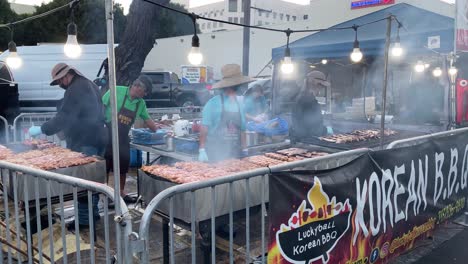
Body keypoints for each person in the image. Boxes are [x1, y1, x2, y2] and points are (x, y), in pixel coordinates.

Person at [28, 62, 107, 230]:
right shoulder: (89, 84)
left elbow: (65, 116)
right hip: (98, 137)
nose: (60, 85)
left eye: (59, 81)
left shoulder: (76, 88)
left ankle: (85, 222)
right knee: (92, 180)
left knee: (83, 183)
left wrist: (42, 128)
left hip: (86, 140)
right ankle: (93, 215)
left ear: (65, 75)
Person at [102, 75, 159, 203]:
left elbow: (147, 119)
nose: (143, 96)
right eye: (144, 93)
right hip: (107, 134)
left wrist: (158, 129)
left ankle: (121, 193)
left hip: (122, 137)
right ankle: (105, 194)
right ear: (138, 87)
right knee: (105, 166)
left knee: (123, 166)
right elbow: (101, 105)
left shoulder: (140, 103)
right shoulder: (116, 90)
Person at [198, 64, 253, 162]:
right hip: (216, 153)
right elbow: (204, 128)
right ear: (237, 85)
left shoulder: (240, 104)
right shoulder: (213, 103)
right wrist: (202, 149)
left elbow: (242, 130)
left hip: (235, 153)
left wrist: (245, 150)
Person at [291, 71, 330, 139]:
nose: (321, 89)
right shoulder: (305, 99)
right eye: (321, 86)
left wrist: (324, 130)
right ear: (314, 84)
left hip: (308, 138)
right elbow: (308, 125)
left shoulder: (309, 98)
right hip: (306, 140)